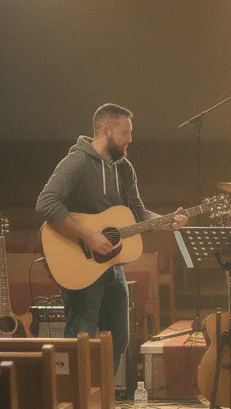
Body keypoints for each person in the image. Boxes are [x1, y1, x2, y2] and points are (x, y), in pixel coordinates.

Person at [36, 103, 187, 392]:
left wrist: (167, 221)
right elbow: (46, 202)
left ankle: (102, 398)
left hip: (111, 265)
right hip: (78, 261)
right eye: (125, 132)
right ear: (106, 131)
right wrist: (89, 235)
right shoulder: (77, 162)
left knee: (119, 335)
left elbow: (138, 213)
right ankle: (75, 401)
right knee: (82, 333)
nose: (130, 139)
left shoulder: (125, 169)